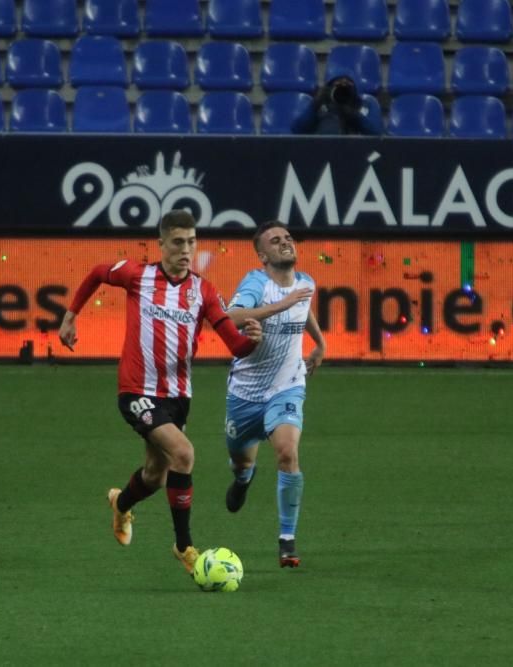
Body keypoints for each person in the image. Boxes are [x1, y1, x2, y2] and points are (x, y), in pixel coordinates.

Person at [58, 210, 262, 575]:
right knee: (184, 453)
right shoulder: (139, 276)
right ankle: (184, 547)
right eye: (179, 242)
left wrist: (252, 342)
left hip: (177, 397)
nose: (186, 250)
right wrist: (71, 314)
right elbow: (96, 273)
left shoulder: (204, 291)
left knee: (155, 475)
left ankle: (122, 503)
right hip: (136, 390)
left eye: (192, 242)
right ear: (162, 244)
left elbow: (233, 343)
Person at [222, 221, 327, 568]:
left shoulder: (305, 283)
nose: (285, 243)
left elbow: (304, 309)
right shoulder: (256, 283)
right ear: (262, 254)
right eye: (275, 241)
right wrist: (281, 305)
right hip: (245, 394)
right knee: (242, 460)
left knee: (287, 452)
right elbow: (232, 316)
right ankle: (243, 477)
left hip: (288, 385)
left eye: (288, 238)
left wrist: (320, 344)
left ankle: (287, 538)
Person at [291, 74, 384, 136]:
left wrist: (353, 115)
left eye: (348, 85)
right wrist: (315, 104)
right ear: (330, 88)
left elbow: (378, 134)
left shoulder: (365, 104)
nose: (342, 90)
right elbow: (296, 130)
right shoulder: (320, 105)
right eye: (338, 85)